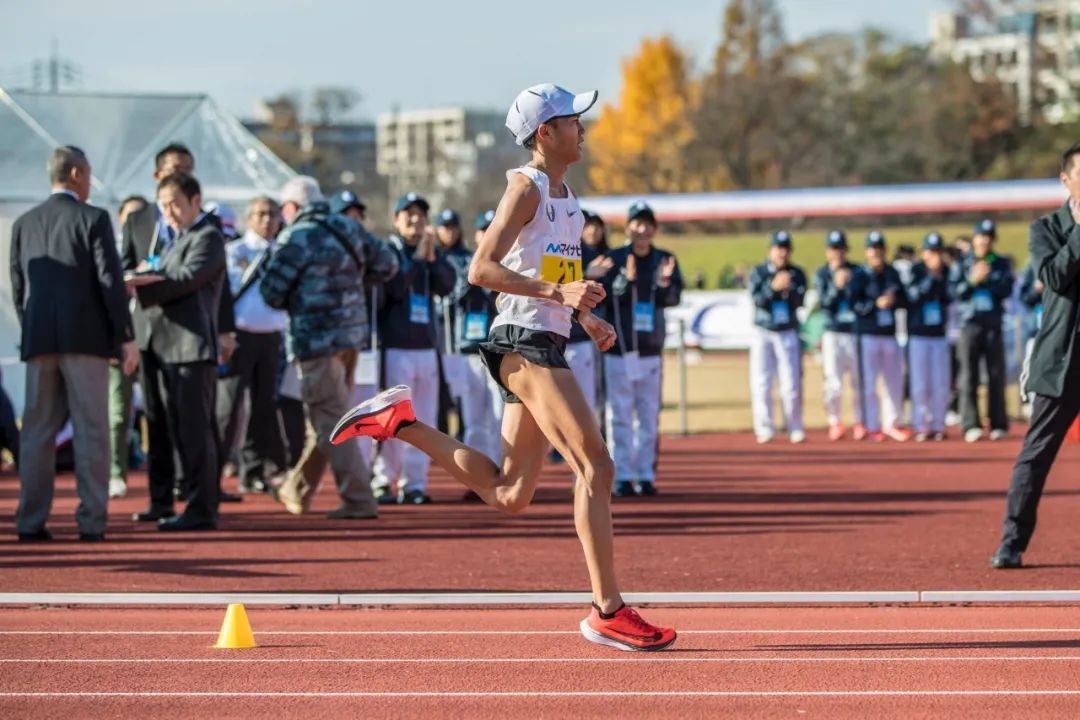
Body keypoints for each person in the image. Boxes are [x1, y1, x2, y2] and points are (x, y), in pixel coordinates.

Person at [330, 83, 676, 651]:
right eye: (573, 119)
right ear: (546, 132)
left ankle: (399, 423)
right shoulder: (526, 187)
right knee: (597, 466)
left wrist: (584, 316)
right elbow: (481, 270)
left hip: (544, 337)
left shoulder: (568, 198)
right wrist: (558, 296)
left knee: (511, 493)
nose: (582, 128)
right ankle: (607, 609)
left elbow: (557, 274)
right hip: (523, 339)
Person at [10, 146, 137, 542]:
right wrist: (123, 336)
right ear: (77, 173)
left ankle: (30, 520)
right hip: (86, 340)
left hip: (39, 340)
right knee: (91, 430)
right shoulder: (93, 219)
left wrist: (32, 329)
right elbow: (109, 281)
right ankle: (92, 521)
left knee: (36, 432)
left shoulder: (25, 223)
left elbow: (18, 287)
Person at [261, 176, 398, 519]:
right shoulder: (348, 227)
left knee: (328, 420)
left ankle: (359, 498)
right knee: (327, 419)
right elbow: (388, 264)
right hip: (351, 338)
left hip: (314, 342)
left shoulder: (296, 236)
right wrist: (351, 283)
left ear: (292, 207)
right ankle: (296, 490)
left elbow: (271, 292)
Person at [122, 143, 239, 519]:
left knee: (194, 428)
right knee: (159, 425)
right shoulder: (154, 227)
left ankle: (200, 504)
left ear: (195, 200)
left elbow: (187, 278)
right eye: (164, 205)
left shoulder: (206, 235)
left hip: (189, 345)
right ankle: (164, 502)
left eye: (175, 204)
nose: (169, 212)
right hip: (153, 340)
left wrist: (141, 284)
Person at [991, 142, 1080, 569]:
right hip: (1061, 359)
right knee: (1036, 454)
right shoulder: (1046, 229)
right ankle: (1012, 541)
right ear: (1066, 180)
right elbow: (1055, 277)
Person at [370, 193, 456, 505]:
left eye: (420, 215)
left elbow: (447, 285)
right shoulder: (389, 251)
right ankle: (384, 479)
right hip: (396, 347)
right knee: (393, 416)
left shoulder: (430, 252)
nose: (416, 220)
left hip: (426, 348)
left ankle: (415, 483)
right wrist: (418, 259)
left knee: (425, 419)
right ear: (396, 220)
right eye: (408, 215)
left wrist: (433, 260)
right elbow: (394, 288)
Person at [601, 201, 682, 496]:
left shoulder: (665, 259)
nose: (642, 229)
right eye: (637, 223)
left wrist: (664, 283)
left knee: (648, 416)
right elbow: (603, 297)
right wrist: (625, 280)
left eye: (647, 224)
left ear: (655, 229)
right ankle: (622, 475)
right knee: (620, 415)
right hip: (619, 350)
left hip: (650, 350)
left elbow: (673, 298)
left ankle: (646, 474)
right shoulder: (614, 258)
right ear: (628, 228)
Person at [216, 197, 289, 494]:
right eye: (261, 214)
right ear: (249, 219)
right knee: (228, 406)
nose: (267, 220)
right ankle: (214, 471)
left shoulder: (283, 254)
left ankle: (253, 470)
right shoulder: (235, 251)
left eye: (273, 214)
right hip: (240, 336)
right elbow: (224, 295)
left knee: (263, 406)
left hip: (271, 337)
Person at [439, 209, 503, 468]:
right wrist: (473, 278)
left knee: (500, 414)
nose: (487, 235)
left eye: (492, 230)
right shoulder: (465, 262)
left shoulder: (509, 262)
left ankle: (502, 468)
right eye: (483, 231)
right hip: (468, 349)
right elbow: (450, 298)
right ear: (476, 235)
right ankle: (478, 471)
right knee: (473, 416)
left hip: (499, 349)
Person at [951, 219, 1014, 442]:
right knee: (969, 375)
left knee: (996, 374)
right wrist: (972, 280)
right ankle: (970, 424)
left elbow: (1007, 289)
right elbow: (954, 292)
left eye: (989, 237)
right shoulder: (963, 262)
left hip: (992, 324)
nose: (984, 241)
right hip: (970, 324)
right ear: (975, 238)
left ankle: (998, 423)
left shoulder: (1000, 263)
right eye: (981, 236)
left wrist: (989, 280)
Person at [850, 231, 911, 442]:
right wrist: (874, 305)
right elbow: (853, 304)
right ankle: (870, 424)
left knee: (894, 380)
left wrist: (894, 300)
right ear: (866, 252)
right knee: (868, 382)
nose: (876, 252)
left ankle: (893, 423)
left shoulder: (892, 273)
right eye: (872, 248)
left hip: (889, 333)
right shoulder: (859, 275)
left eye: (879, 248)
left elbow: (905, 300)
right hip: (867, 334)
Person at [107, 195, 148, 499]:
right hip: (120, 342)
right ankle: (115, 472)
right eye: (128, 217)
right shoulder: (107, 252)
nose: (133, 223)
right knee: (119, 411)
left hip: (152, 339)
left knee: (160, 412)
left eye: (139, 217)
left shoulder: (157, 251)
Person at [748, 231, 806, 444]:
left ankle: (794, 426)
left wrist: (789, 289)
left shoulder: (797, 273)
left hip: (787, 330)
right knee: (762, 381)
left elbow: (800, 300)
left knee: (791, 382)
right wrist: (773, 288)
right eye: (778, 248)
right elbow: (757, 299)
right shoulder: (759, 272)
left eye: (786, 249)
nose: (782, 253)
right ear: (770, 250)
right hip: (763, 330)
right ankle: (764, 427)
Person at [813, 230, 863, 440]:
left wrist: (850, 285)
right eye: (834, 249)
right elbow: (824, 304)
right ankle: (835, 421)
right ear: (828, 251)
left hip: (854, 332)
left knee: (858, 381)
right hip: (833, 333)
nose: (838, 254)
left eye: (841, 249)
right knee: (833, 382)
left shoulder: (857, 271)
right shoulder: (822, 274)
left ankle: (860, 421)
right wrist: (836, 285)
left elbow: (862, 301)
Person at [905, 232, 952, 442]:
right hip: (919, 335)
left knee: (941, 383)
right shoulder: (915, 271)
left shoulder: (947, 272)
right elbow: (913, 296)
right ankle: (921, 424)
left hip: (939, 334)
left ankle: (938, 423)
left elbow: (950, 296)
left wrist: (939, 277)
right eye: (931, 252)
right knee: (920, 383)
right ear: (924, 253)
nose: (935, 257)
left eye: (938, 252)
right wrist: (930, 277)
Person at [1017, 261, 1044, 420]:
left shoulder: (1067, 262)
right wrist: (1036, 289)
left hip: (1062, 332)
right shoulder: (1031, 267)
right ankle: (1036, 413)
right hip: (1036, 332)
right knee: (1034, 374)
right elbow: (1023, 298)